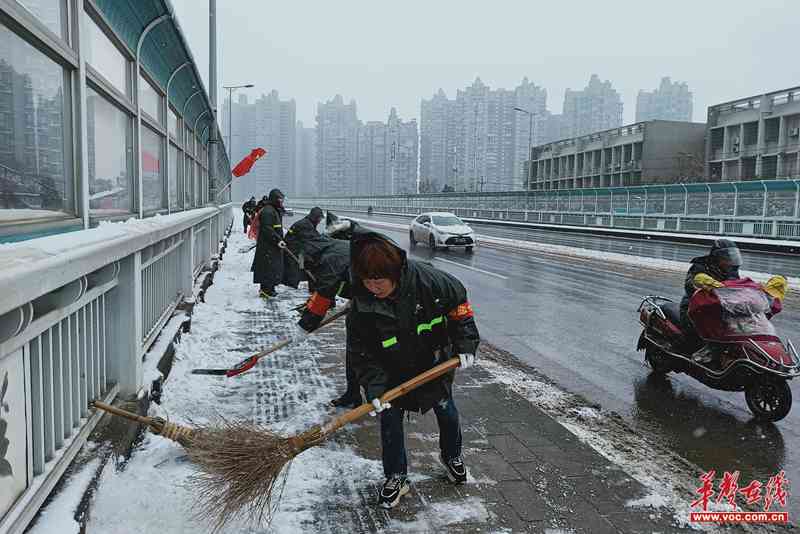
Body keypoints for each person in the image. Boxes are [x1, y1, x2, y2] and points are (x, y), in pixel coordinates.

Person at [348, 228, 480, 509]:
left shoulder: (430, 282)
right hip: (391, 370)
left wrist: (466, 343)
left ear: (394, 273)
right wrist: (373, 388)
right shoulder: (361, 303)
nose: (373, 287)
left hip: (433, 362)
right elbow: (361, 352)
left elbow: (460, 308)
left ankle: (452, 456)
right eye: (367, 281)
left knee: (446, 411)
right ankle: (396, 476)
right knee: (390, 420)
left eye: (379, 281)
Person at [288, 216, 361, 408]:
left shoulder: (329, 260)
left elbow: (323, 297)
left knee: (364, 350)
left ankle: (375, 396)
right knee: (355, 350)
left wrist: (303, 328)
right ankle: (353, 394)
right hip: (365, 300)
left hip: (378, 304)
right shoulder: (331, 248)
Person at [680, 239, 742, 362]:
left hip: (721, 307)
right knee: (700, 329)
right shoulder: (699, 267)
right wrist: (703, 285)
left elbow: (738, 287)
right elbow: (690, 285)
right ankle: (693, 355)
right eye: (727, 258)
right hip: (695, 307)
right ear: (716, 257)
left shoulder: (732, 272)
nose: (730, 261)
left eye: (732, 257)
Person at [251, 189, 286, 298]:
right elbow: (267, 229)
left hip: (272, 245)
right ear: (275, 199)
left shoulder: (273, 210)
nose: (281, 202)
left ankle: (270, 288)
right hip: (267, 245)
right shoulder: (268, 211)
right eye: (280, 199)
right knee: (267, 268)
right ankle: (265, 290)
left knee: (272, 268)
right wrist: (278, 240)